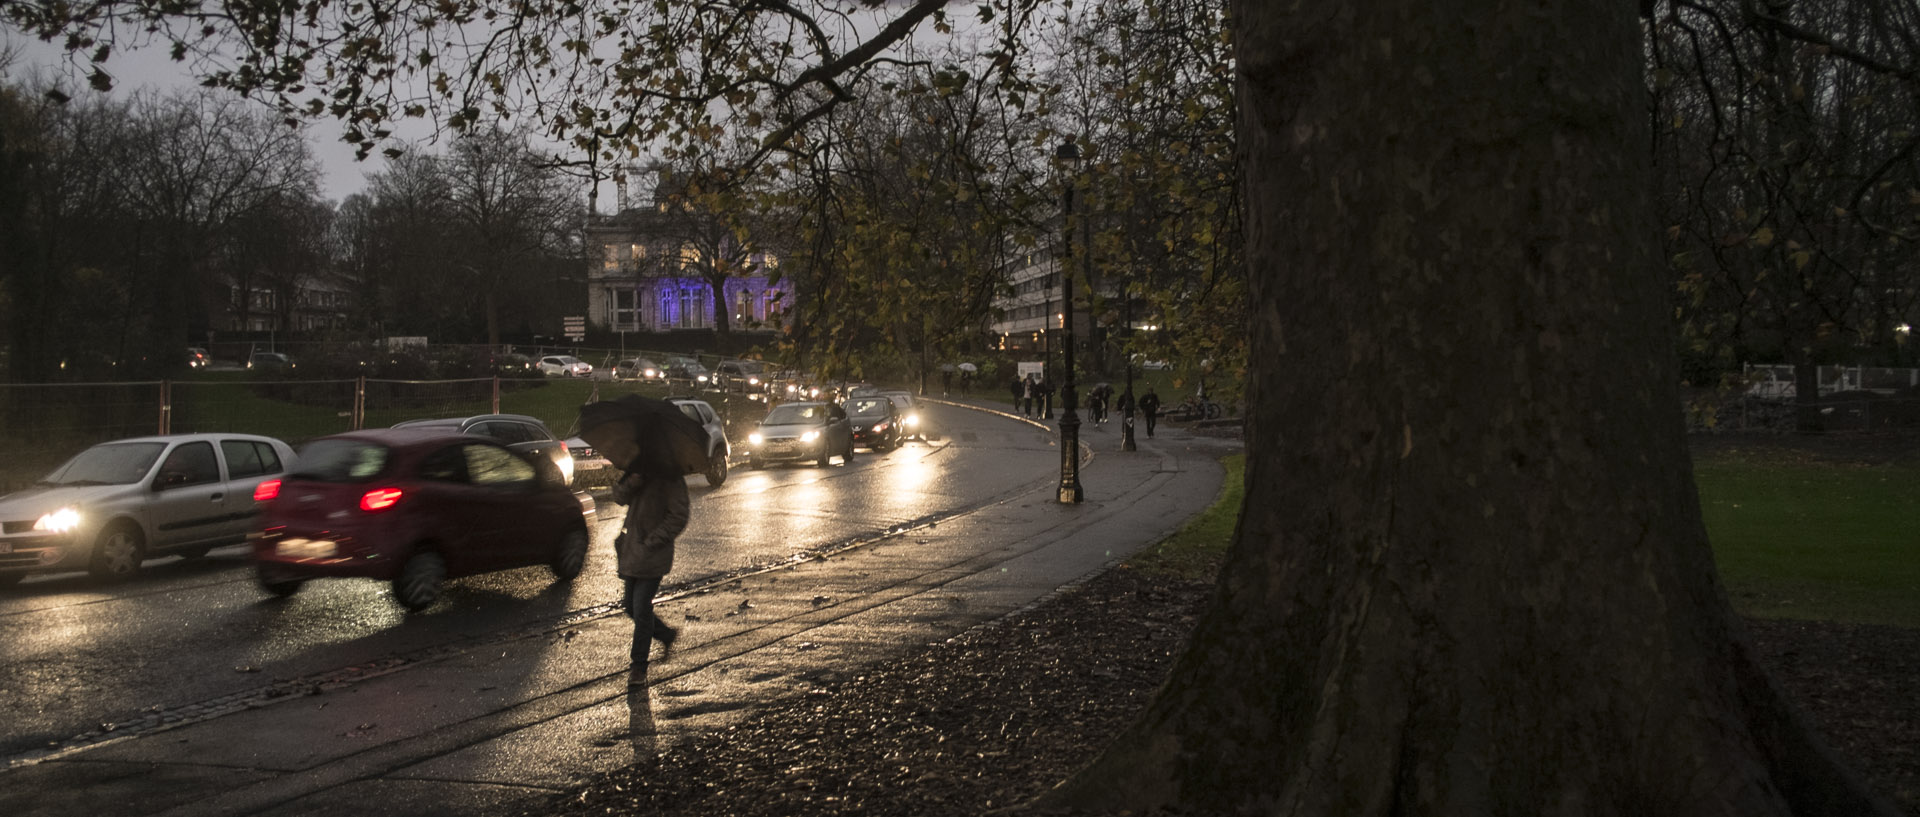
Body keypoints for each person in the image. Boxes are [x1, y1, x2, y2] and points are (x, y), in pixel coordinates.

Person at [610, 464, 689, 688]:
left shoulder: (670, 476)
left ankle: (638, 667)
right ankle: (665, 634)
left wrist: (654, 540)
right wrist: (632, 481)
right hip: (632, 552)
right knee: (630, 606)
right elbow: (618, 497)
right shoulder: (637, 469)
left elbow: (679, 515)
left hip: (653, 553)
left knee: (641, 607)